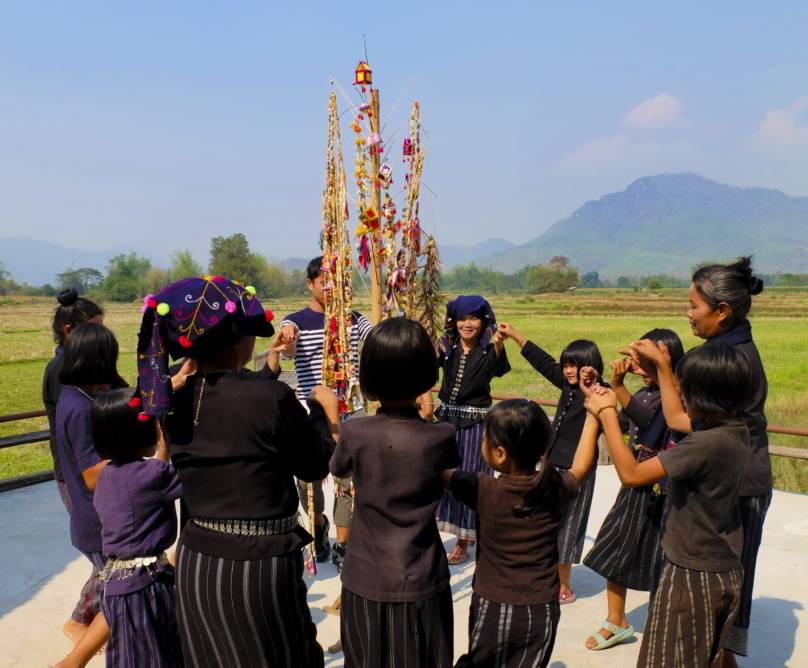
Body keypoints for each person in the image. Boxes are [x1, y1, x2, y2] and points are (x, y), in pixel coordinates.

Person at [141, 275, 339, 667]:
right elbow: (315, 464)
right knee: (285, 654)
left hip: (197, 561)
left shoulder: (169, 398)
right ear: (237, 339)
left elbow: (240, 393)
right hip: (258, 567)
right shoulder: (270, 397)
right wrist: (326, 415)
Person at [630, 257, 770, 666]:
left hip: (738, 487)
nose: (687, 313)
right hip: (732, 479)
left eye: (694, 305)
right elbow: (679, 419)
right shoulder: (723, 350)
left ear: (722, 311)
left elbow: (680, 424)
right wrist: (662, 368)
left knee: (719, 604)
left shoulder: (733, 360)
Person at [584, 343, 753, 668]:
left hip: (692, 577)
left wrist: (606, 412)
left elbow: (632, 474)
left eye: (685, 387)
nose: (680, 393)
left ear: (703, 395)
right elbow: (675, 417)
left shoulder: (704, 444)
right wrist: (662, 364)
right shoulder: (734, 427)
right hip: (723, 567)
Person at [330, 318, 461, 668]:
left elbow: (338, 468)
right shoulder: (441, 436)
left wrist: (330, 416)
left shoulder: (354, 432)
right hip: (423, 576)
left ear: (370, 375)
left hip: (365, 576)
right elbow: (449, 475)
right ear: (427, 375)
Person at [443, 398, 600, 668]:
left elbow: (436, 473)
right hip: (543, 608)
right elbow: (582, 467)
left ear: (500, 454)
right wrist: (594, 417)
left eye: (484, 439)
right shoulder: (556, 487)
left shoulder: (482, 489)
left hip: (494, 606)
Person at [51, 388, 184, 668]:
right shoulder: (153, 475)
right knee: (157, 654)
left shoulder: (109, 475)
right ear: (138, 432)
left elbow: (149, 477)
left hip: (117, 585)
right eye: (154, 422)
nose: (159, 427)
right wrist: (172, 442)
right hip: (146, 588)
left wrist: (163, 449)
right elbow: (188, 480)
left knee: (132, 656)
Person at [582, 329, 685, 650]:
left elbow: (656, 421)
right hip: (637, 482)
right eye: (639, 357)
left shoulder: (679, 396)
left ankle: (662, 626)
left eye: (648, 357)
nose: (637, 363)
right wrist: (604, 392)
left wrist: (617, 388)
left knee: (662, 560)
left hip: (664, 487)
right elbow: (629, 424)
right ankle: (616, 620)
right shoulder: (644, 392)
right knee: (617, 547)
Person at [274, 256, 372, 568]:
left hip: (351, 410)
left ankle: (343, 544)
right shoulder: (297, 321)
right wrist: (287, 339)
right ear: (310, 284)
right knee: (308, 480)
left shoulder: (355, 319)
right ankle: (318, 527)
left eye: (338, 284)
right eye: (323, 283)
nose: (331, 289)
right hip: (311, 414)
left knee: (349, 480)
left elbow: (378, 336)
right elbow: (287, 345)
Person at [496, 323, 604, 604]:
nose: (569, 371)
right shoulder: (567, 385)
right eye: (566, 365)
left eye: (576, 366)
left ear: (591, 368)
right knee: (545, 520)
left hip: (577, 470)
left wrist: (595, 384)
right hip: (552, 464)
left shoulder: (597, 392)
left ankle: (563, 584)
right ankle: (543, 572)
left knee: (569, 526)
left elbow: (608, 389)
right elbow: (542, 360)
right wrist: (514, 335)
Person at [55, 322, 123, 652]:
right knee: (120, 589)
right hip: (97, 520)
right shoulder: (81, 409)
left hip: (91, 517)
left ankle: (81, 623)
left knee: (108, 579)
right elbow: (92, 475)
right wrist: (141, 459)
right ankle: (78, 645)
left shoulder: (75, 397)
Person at [434, 296, 510, 565]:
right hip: (445, 423)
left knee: (470, 478)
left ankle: (464, 540)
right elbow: (429, 372)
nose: (467, 324)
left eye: (473, 318)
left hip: (476, 425)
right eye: (462, 319)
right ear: (454, 321)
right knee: (440, 475)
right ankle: (443, 528)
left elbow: (499, 370)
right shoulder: (446, 345)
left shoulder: (489, 349)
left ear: (484, 321)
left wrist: (499, 345)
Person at [42, 289, 104, 516]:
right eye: (94, 330)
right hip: (76, 471)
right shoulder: (63, 371)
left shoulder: (80, 367)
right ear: (68, 332)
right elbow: (79, 424)